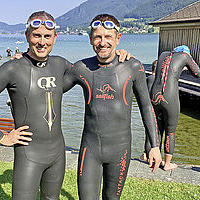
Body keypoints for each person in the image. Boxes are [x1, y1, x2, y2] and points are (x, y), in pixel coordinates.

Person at [0, 11, 131, 200]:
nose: (42, 42)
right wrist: (2, 137)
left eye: (47, 36)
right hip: (29, 153)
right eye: (37, 35)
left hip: (57, 154)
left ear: (54, 38)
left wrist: (119, 57)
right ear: (27, 36)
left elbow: (94, 69)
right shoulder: (13, 68)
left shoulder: (61, 64)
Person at [63, 14, 161, 200]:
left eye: (108, 37)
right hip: (90, 149)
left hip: (120, 150)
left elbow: (147, 107)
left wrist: (154, 146)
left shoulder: (133, 66)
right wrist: (29, 61)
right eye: (98, 37)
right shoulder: (81, 68)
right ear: (91, 39)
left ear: (118, 38)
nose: (103, 42)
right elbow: (50, 87)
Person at [144, 45, 200, 171]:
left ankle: (152, 159)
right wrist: (188, 61)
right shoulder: (185, 56)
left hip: (154, 94)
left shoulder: (164, 54)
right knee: (170, 130)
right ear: (185, 53)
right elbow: (197, 73)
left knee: (157, 128)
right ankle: (167, 164)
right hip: (169, 96)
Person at [140, 59, 157, 161]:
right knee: (155, 133)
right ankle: (150, 154)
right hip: (156, 108)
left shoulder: (148, 79)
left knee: (148, 133)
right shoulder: (159, 80)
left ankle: (146, 154)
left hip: (148, 107)